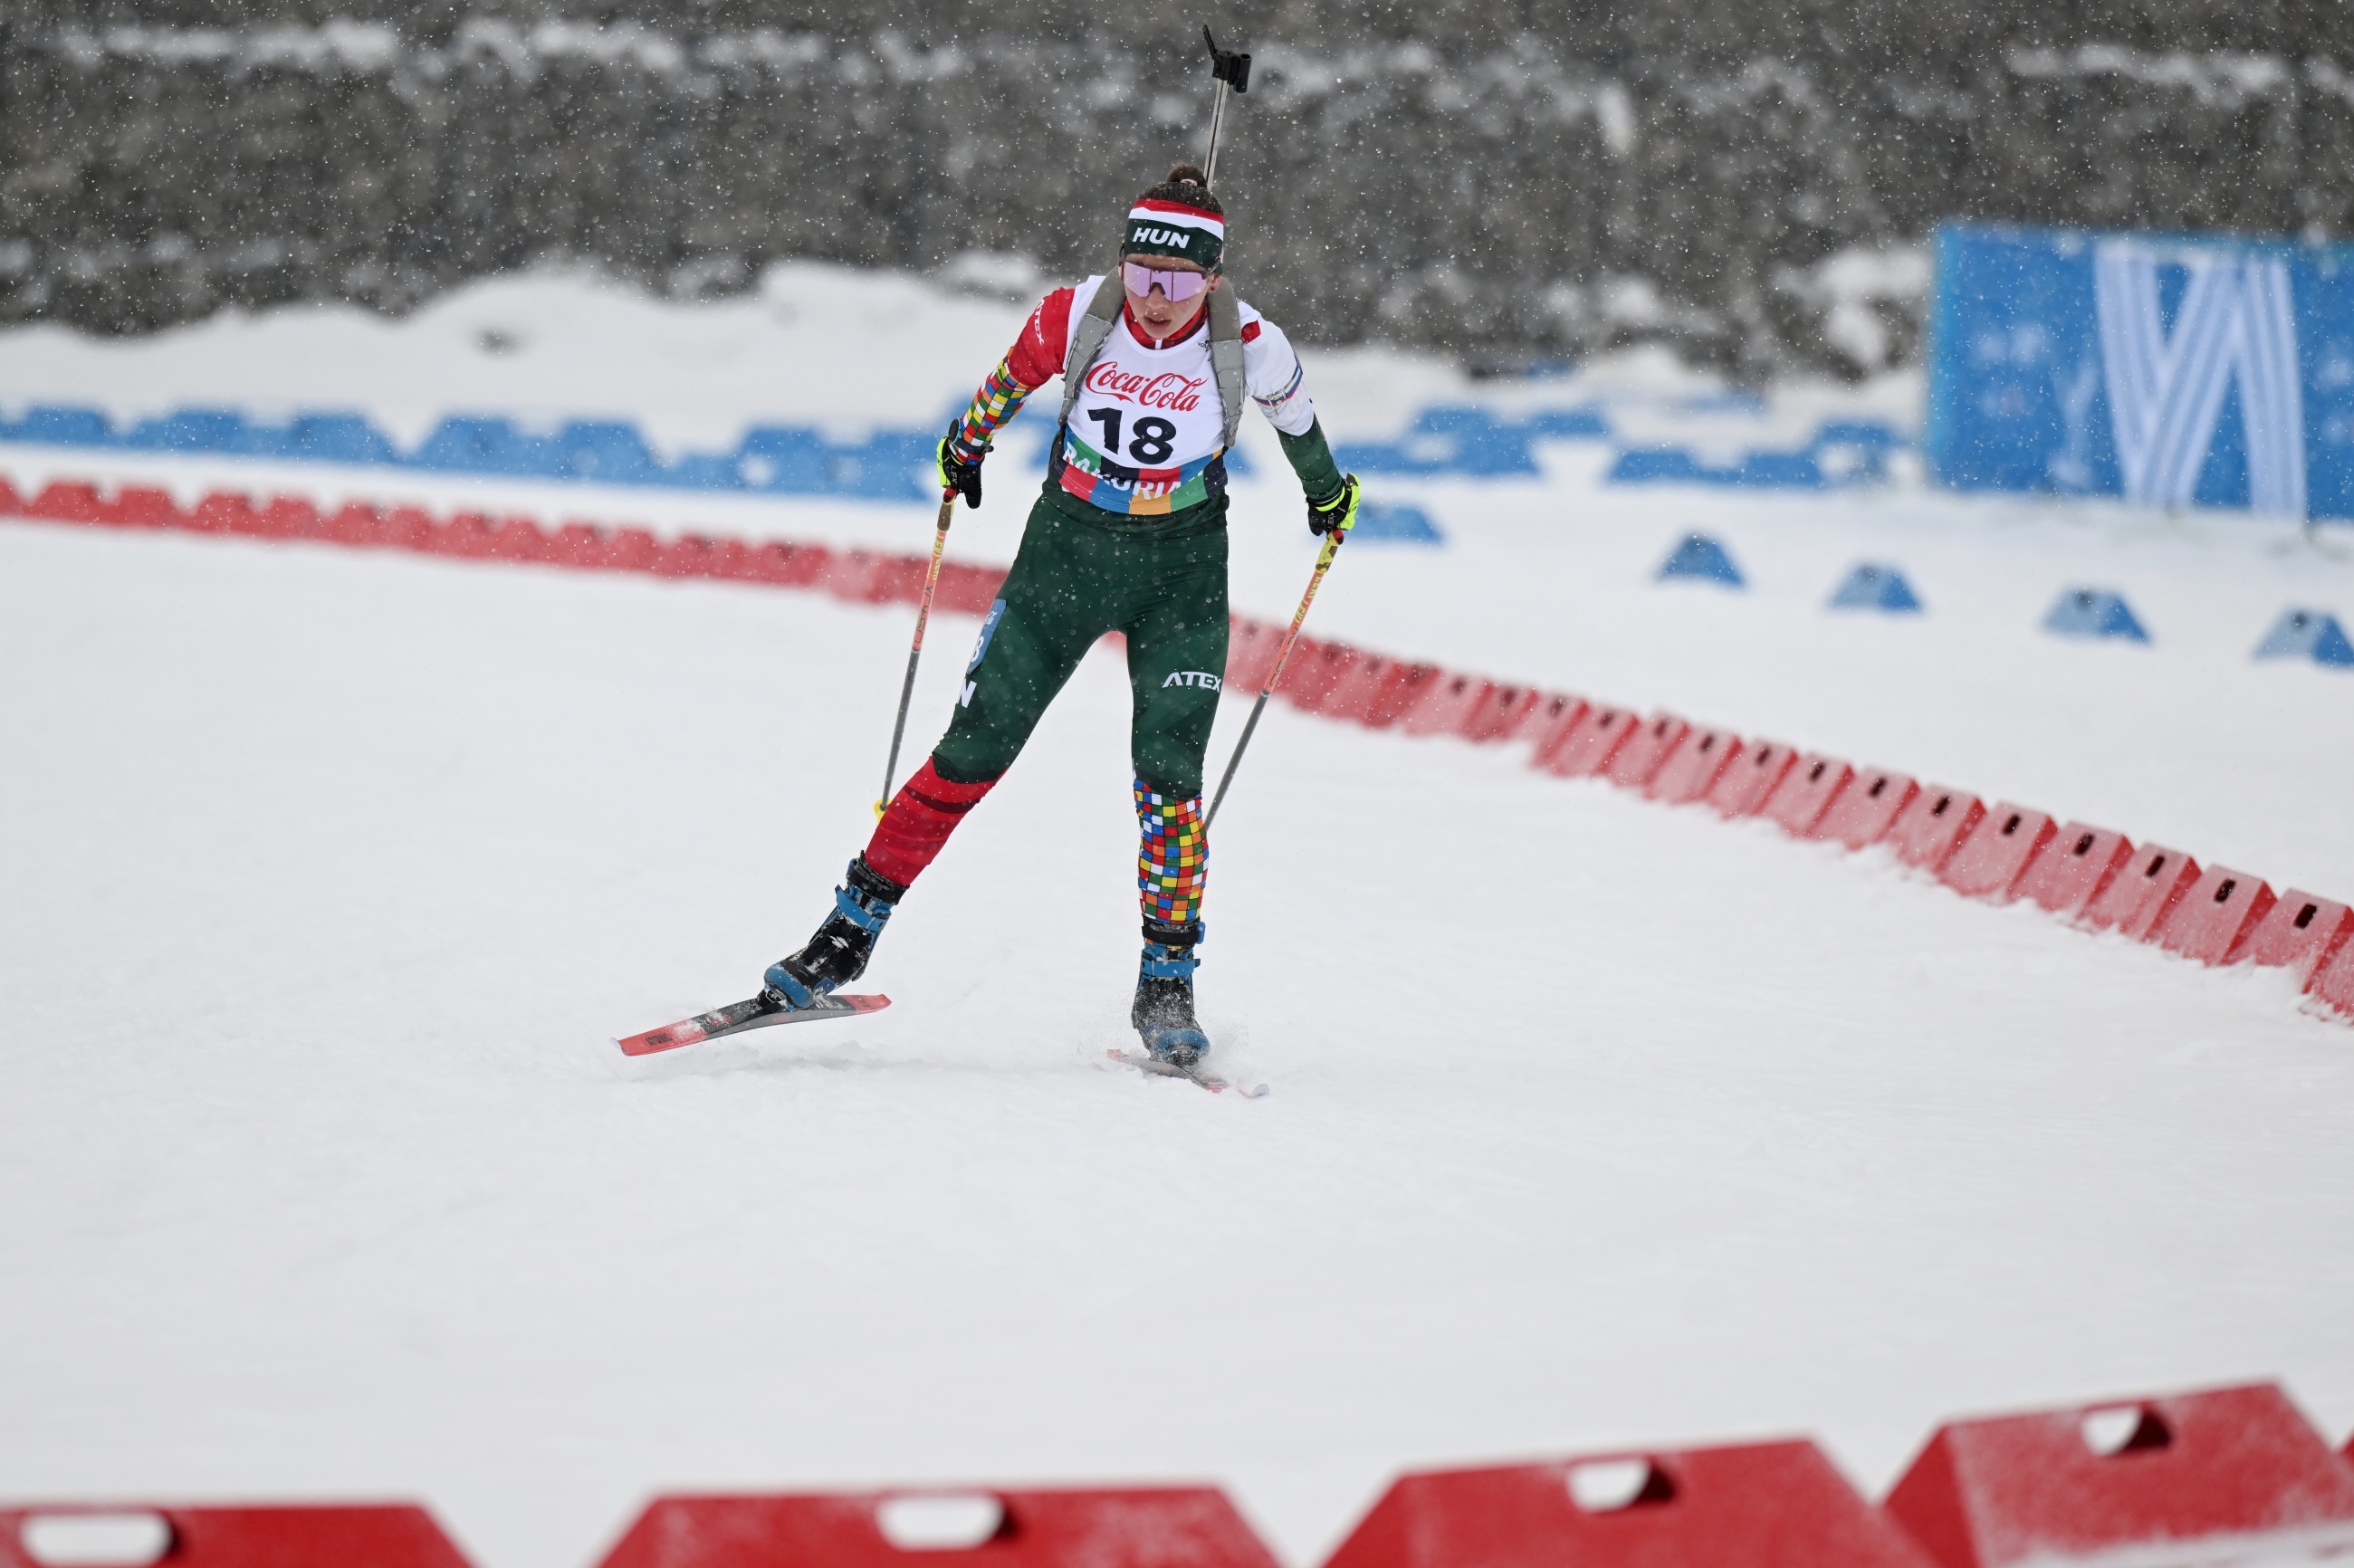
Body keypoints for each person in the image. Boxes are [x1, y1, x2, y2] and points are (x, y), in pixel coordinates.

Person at [761, 163, 1361, 1067]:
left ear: (1213, 278)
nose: (1156, 299)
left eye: (1180, 282)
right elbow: (1007, 382)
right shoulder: (1076, 314)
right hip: (1065, 557)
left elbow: (1299, 423)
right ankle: (844, 937)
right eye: (1142, 274)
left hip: (1182, 572)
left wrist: (1326, 493)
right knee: (974, 747)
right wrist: (966, 445)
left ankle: (1166, 983)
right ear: (1122, 263)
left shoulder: (1249, 342)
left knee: (1169, 777)